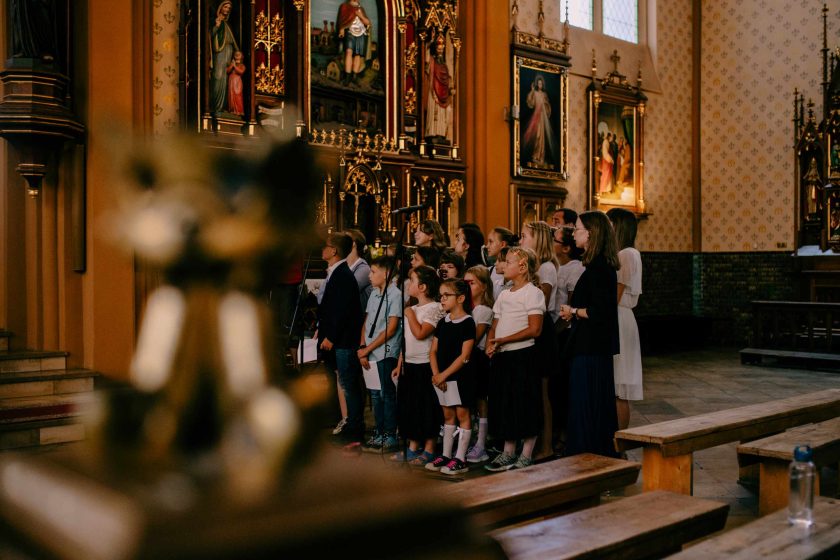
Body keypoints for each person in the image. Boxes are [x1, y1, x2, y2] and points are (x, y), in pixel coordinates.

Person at [559, 211, 620, 458]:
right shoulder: (595, 265)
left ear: (592, 233)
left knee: (588, 402)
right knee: (587, 401)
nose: (574, 234)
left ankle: (589, 453)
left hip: (592, 346)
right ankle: (588, 452)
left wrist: (573, 311)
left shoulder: (600, 268)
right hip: (590, 344)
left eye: (578, 229)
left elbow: (601, 311)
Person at [485, 247, 545, 472]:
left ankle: (527, 453)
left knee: (525, 402)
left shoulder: (533, 293)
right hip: (502, 356)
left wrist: (504, 340)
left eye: (508, 262)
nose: (502, 266)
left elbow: (535, 329)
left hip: (522, 356)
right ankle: (508, 450)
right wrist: (491, 342)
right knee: (505, 403)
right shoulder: (503, 294)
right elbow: (495, 322)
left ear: (522, 267)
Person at [316, 232, 365, 447]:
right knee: (342, 381)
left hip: (343, 340)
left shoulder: (343, 275)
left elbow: (342, 311)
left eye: (325, 246)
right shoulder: (336, 273)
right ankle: (348, 423)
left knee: (348, 384)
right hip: (336, 339)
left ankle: (355, 427)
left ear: (334, 251)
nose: (322, 250)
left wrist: (331, 336)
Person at [393, 266, 444, 466]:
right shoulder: (411, 309)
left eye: (412, 281)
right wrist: (400, 362)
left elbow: (421, 333)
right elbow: (405, 340)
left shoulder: (435, 308)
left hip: (425, 365)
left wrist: (410, 315)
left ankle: (429, 448)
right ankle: (413, 446)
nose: (408, 285)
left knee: (426, 407)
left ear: (422, 287)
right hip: (409, 363)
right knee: (410, 406)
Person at [426, 279, 476, 475]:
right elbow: (433, 351)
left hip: (459, 377)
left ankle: (461, 458)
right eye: (441, 295)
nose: (442, 299)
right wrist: (436, 374)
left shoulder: (468, 322)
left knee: (462, 415)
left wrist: (444, 375)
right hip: (441, 377)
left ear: (461, 298)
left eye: (447, 295)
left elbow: (465, 356)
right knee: (447, 415)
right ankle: (446, 455)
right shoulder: (442, 322)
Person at [520, 220, 560, 459]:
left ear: (538, 239)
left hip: (542, 331)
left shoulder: (546, 268)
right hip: (531, 327)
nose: (521, 240)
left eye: (525, 236)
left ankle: (546, 445)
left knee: (543, 391)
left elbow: (540, 304)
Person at [358, 256, 402, 453]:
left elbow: (391, 328)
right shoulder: (374, 294)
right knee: (375, 395)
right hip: (369, 352)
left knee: (386, 394)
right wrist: (362, 347)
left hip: (385, 352)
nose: (369, 275)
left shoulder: (395, 295)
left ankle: (390, 434)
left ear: (386, 273)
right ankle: (379, 431)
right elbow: (366, 322)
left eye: (374, 271)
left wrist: (367, 349)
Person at [606, 208, 643, 431]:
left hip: (619, 317)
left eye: (609, 223)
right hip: (620, 316)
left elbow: (615, 295)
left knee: (619, 386)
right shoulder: (628, 253)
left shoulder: (626, 254)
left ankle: (618, 441)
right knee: (614, 385)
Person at [463, 266, 495, 464]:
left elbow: (474, 338)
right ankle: (472, 439)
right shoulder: (467, 309)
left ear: (483, 287)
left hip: (478, 358)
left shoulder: (483, 311)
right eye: (465, 283)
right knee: (471, 402)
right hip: (467, 358)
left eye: (472, 283)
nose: (468, 287)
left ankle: (481, 443)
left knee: (481, 401)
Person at [210, 0, 238, 116]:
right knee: (217, 76)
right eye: (225, 7)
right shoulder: (216, 21)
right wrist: (216, 27)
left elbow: (233, 42)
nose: (227, 10)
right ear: (220, 8)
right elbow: (210, 36)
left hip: (228, 51)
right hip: (219, 53)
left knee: (226, 79)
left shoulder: (227, 24)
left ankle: (222, 107)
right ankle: (215, 106)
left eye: (228, 8)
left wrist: (234, 56)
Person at [425, 33, 454, 143]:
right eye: (438, 47)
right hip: (434, 92)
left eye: (442, 47)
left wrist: (451, 89)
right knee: (434, 113)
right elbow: (426, 59)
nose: (441, 49)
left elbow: (448, 79)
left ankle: (441, 134)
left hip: (443, 94)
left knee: (443, 114)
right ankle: (432, 134)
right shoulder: (432, 61)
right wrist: (429, 43)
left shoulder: (445, 65)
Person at [523, 74, 556, 168]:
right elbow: (531, 103)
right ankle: (535, 156)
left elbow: (547, 106)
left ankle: (541, 157)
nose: (540, 85)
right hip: (536, 117)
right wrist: (532, 90)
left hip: (542, 117)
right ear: (537, 84)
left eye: (541, 83)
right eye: (539, 83)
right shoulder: (536, 93)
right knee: (536, 136)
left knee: (542, 137)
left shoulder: (544, 94)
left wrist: (545, 105)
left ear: (543, 85)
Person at [336, 0, 371, 84]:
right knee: (348, 52)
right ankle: (347, 77)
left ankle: (354, 76)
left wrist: (360, 16)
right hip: (349, 32)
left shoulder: (361, 9)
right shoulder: (344, 6)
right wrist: (342, 29)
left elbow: (367, 22)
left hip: (361, 33)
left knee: (357, 55)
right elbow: (342, 20)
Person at [486, 227, 518, 299]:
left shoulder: (515, 273)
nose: (487, 246)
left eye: (491, 241)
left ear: (503, 244)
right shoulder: (489, 271)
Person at [226, 50, 246, 115]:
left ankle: (239, 111)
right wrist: (232, 65)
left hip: (237, 82)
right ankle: (231, 109)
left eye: (239, 54)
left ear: (241, 56)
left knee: (237, 95)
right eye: (236, 54)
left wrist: (234, 66)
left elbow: (241, 72)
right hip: (231, 80)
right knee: (231, 95)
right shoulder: (232, 64)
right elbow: (227, 71)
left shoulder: (242, 65)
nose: (237, 55)